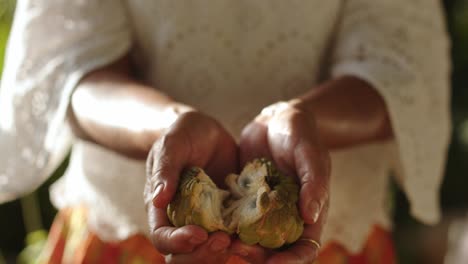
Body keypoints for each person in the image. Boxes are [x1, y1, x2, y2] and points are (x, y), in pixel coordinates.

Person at [0, 0, 451, 263]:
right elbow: (73, 69)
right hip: (125, 235)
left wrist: (305, 118)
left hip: (330, 237)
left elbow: (400, 68)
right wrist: (166, 127)